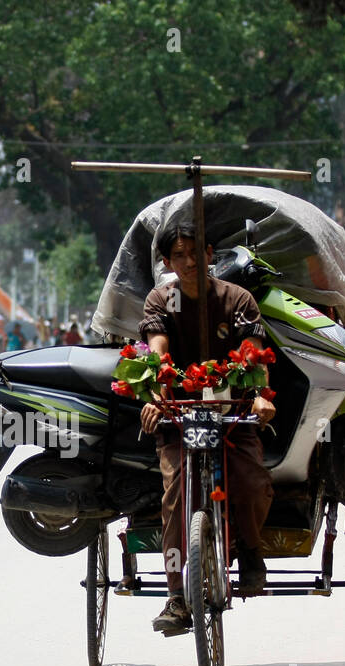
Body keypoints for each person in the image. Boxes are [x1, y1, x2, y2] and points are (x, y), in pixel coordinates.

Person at [139, 224, 276, 634]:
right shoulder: (160, 299)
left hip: (230, 411)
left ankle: (251, 553)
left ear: (211, 253)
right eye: (178, 255)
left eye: (195, 252)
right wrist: (152, 394)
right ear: (167, 262)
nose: (188, 261)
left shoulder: (237, 298)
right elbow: (156, 350)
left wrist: (260, 395)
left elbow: (252, 353)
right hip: (179, 414)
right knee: (176, 493)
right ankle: (177, 597)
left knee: (252, 480)